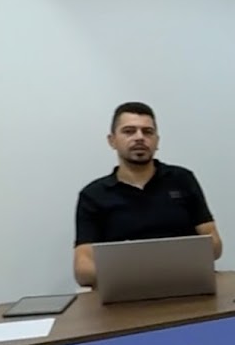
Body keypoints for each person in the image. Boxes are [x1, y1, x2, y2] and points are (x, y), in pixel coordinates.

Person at [72, 102, 222, 287]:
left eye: (147, 132)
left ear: (157, 141)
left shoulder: (182, 179)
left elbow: (214, 245)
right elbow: (83, 270)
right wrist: (138, 276)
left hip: (185, 284)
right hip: (124, 290)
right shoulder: (93, 195)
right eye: (129, 131)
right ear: (112, 141)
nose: (139, 138)